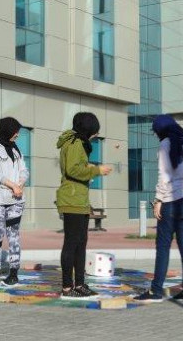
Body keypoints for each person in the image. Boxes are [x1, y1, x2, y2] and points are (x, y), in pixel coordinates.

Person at [134, 115, 183, 303]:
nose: (156, 135)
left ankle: (155, 291)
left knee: (163, 246)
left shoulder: (165, 145)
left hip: (173, 199)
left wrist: (158, 200)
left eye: (156, 132)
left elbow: (164, 176)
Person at [56, 112, 112, 299]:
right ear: (87, 129)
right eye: (94, 132)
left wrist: (90, 169)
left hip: (79, 200)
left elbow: (78, 166)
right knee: (71, 244)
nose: (95, 136)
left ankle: (79, 284)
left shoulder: (79, 143)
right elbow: (72, 170)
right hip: (71, 200)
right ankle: (66, 287)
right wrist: (96, 170)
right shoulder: (74, 143)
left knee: (81, 244)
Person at [0, 117, 29, 286]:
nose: (17, 134)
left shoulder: (16, 148)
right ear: (7, 130)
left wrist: (20, 184)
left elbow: (24, 169)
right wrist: (12, 185)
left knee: (13, 235)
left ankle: (13, 272)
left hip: (16, 199)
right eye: (15, 131)